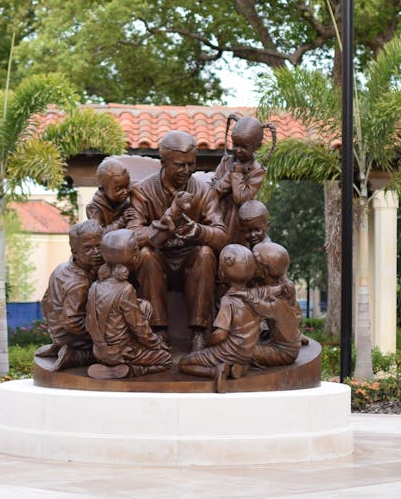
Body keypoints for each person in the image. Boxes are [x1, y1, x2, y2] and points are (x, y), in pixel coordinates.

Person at [125, 130, 228, 351]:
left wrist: (199, 231)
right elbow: (131, 235)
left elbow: (221, 234)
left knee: (205, 254)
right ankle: (159, 332)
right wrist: (163, 225)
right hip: (158, 260)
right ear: (163, 161)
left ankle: (199, 333)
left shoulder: (204, 191)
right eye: (180, 165)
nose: (187, 170)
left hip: (190, 261)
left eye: (191, 164)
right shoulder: (142, 192)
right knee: (144, 255)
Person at [84, 229, 173, 379]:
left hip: (99, 351)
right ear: (134, 258)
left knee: (143, 305)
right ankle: (129, 370)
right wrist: (155, 344)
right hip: (122, 352)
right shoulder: (126, 289)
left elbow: (89, 321)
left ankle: (108, 365)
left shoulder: (95, 286)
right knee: (166, 360)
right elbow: (139, 327)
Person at [178, 244, 261, 391]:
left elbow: (221, 334)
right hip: (247, 354)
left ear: (221, 273)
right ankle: (238, 367)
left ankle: (215, 372)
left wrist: (208, 345)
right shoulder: (255, 297)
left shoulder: (227, 300)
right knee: (238, 357)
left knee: (184, 363)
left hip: (227, 352)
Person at [33, 220, 103, 371]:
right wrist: (103, 328)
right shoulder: (79, 284)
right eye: (88, 248)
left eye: (99, 246)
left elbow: (45, 301)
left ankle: (59, 345)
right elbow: (72, 321)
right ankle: (74, 356)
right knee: (116, 352)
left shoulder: (63, 267)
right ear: (74, 251)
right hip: (73, 335)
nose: (96, 252)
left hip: (58, 331)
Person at [210, 114, 268, 242]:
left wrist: (236, 173)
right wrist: (229, 174)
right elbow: (214, 190)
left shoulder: (257, 171)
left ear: (257, 147)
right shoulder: (225, 162)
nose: (238, 150)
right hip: (218, 214)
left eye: (244, 147)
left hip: (239, 221)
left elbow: (241, 198)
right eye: (236, 145)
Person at [246, 241, 302, 369]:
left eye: (253, 260)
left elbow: (253, 300)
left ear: (263, 270)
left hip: (282, 350)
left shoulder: (278, 296)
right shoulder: (275, 286)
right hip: (276, 340)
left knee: (241, 350)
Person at [85, 157, 132, 231]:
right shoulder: (93, 208)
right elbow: (99, 234)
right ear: (102, 189)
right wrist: (122, 221)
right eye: (118, 189)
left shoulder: (129, 201)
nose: (125, 191)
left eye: (127, 186)